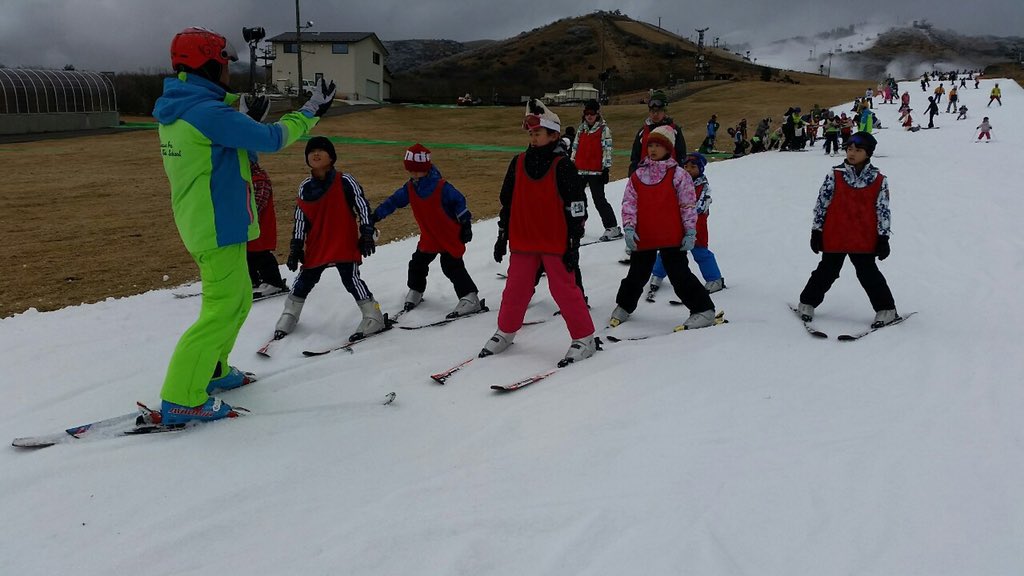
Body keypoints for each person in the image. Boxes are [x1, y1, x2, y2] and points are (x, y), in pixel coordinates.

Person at [153, 27, 334, 424]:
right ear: (209, 64)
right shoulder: (206, 113)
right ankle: (181, 397)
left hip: (216, 221)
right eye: (223, 65)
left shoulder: (185, 104)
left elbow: (224, 126)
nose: (228, 73)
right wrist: (310, 113)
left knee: (235, 301)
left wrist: (243, 105)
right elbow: (270, 139)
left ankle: (213, 370)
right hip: (215, 225)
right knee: (221, 309)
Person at [481, 99, 596, 365]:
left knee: (564, 290)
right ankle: (506, 331)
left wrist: (574, 241)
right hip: (523, 241)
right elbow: (507, 201)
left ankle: (584, 337)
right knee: (515, 289)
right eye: (530, 134)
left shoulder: (563, 166)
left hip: (555, 242)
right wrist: (502, 235)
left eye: (538, 133)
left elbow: (577, 205)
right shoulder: (518, 162)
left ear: (553, 134)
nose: (533, 138)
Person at [274, 137, 385, 342]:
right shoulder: (305, 187)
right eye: (311, 151)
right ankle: (290, 313)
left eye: (321, 151)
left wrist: (367, 233)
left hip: (343, 240)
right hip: (318, 243)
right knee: (304, 280)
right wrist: (296, 247)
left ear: (332, 157)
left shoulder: (345, 181)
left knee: (351, 279)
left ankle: (373, 314)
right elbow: (301, 217)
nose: (315, 154)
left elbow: (362, 207)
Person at [609, 125, 717, 330]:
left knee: (679, 274)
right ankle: (624, 305)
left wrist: (690, 231)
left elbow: (687, 205)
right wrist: (629, 227)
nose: (653, 149)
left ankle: (703, 309)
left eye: (658, 145)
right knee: (637, 274)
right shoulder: (638, 175)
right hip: (645, 235)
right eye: (650, 145)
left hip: (671, 236)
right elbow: (629, 203)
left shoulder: (679, 175)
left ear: (668, 149)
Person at [797, 132, 898, 329]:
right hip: (836, 233)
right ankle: (807, 302)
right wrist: (816, 231)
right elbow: (822, 203)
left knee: (868, 273)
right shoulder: (835, 174)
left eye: (858, 150)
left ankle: (886, 309)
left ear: (868, 153)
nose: (852, 153)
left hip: (863, 236)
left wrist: (883, 237)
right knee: (827, 270)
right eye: (849, 149)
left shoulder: (879, 180)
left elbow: (883, 209)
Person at [372, 143, 481, 317]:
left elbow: (459, 201)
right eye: (411, 171)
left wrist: (466, 224)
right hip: (430, 237)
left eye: (418, 171)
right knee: (417, 264)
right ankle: (416, 289)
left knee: (451, 266)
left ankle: (469, 297)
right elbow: (394, 201)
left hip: (448, 235)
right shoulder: (410, 188)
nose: (414, 175)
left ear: (427, 168)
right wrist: (376, 215)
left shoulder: (441, 187)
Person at [647, 152, 725, 297]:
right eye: (686, 166)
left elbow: (699, 206)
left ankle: (714, 279)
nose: (688, 169)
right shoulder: (678, 181)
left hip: (696, 226)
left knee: (700, 251)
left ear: (700, 169)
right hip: (676, 224)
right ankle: (657, 274)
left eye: (693, 167)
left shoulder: (703, 187)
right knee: (668, 250)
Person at [571, 99, 620, 241]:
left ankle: (612, 227)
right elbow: (575, 147)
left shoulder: (603, 129)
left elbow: (607, 149)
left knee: (599, 199)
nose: (589, 116)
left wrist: (606, 168)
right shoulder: (581, 129)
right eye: (587, 113)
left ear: (597, 113)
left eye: (592, 113)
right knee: (578, 200)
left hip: (596, 171)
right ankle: (578, 224)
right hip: (580, 170)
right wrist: (571, 165)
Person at [246, 155, 289, 298]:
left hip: (260, 226)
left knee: (261, 254)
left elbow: (259, 203)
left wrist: (243, 216)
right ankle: (252, 280)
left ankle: (274, 282)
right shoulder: (244, 178)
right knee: (248, 255)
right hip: (248, 226)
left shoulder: (258, 179)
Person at [628, 90, 687, 175]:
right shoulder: (643, 131)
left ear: (664, 111)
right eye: (652, 111)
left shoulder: (674, 130)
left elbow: (681, 155)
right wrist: (633, 174)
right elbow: (635, 156)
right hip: (646, 176)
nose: (655, 114)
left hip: (669, 176)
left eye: (658, 111)